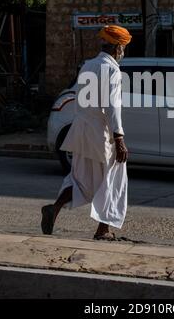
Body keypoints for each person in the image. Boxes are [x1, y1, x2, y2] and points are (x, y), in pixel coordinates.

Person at [41, 25, 132, 240]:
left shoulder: (87, 65)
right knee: (113, 178)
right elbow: (112, 105)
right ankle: (103, 230)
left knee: (80, 179)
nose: (123, 52)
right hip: (100, 133)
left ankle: (54, 209)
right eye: (123, 48)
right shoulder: (112, 69)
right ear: (118, 47)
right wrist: (119, 138)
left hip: (81, 130)